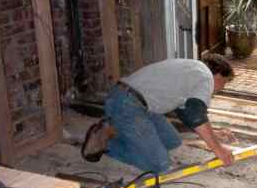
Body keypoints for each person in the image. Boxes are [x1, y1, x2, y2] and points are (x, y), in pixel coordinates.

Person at [82, 54, 235, 173]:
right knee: (160, 164)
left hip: (132, 102)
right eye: (225, 82)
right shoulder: (206, 77)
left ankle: (118, 128)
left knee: (172, 141)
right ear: (218, 75)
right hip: (126, 105)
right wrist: (219, 150)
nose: (222, 88)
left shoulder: (193, 70)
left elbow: (186, 114)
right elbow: (195, 114)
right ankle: (108, 142)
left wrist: (213, 134)